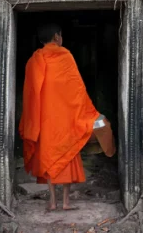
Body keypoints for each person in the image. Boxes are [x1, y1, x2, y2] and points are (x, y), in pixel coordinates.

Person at [19, 23, 100, 211]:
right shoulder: (65, 56)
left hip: (44, 120)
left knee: (48, 158)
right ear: (57, 37)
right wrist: (88, 113)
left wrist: (32, 121)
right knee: (67, 155)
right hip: (65, 119)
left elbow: (29, 95)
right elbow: (76, 90)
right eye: (61, 36)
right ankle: (65, 203)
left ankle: (52, 202)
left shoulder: (33, 61)